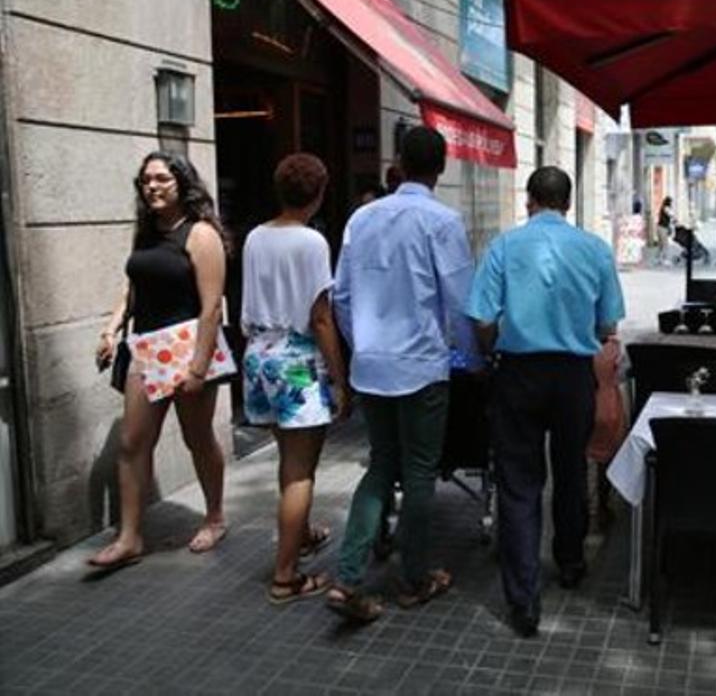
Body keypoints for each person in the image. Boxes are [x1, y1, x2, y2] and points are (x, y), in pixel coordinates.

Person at [326, 126, 480, 621]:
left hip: (371, 366)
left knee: (380, 466)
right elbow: (460, 302)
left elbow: (341, 297)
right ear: (442, 167)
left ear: (398, 163)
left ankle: (348, 576)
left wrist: (363, 345)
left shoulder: (361, 218)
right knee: (418, 473)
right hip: (420, 367)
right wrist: (475, 359)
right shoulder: (442, 220)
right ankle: (414, 579)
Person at [468, 166, 626, 638]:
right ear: (569, 203)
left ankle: (523, 602)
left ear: (530, 201)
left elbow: (479, 318)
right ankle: (572, 561)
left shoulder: (502, 246)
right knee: (572, 470)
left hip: (518, 373)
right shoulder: (595, 249)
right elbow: (607, 326)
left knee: (519, 484)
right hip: (573, 375)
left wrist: (490, 348)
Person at [90, 152, 229, 568]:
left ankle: (215, 517)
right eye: (145, 180)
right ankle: (129, 537)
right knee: (132, 443)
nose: (151, 186)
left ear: (182, 183)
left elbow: (211, 308)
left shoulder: (200, 234)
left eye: (161, 179)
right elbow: (134, 289)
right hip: (146, 349)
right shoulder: (147, 233)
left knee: (197, 438)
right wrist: (112, 329)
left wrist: (198, 368)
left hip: (188, 349)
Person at [240, 153, 350, 604]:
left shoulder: (254, 237)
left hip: (258, 355)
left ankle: (300, 534)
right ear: (319, 194)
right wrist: (341, 379)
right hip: (297, 359)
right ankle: (286, 576)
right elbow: (320, 317)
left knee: (289, 457)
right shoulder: (311, 243)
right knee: (299, 472)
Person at [656, 196, 674, 264]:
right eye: (671, 202)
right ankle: (665, 259)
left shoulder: (663, 207)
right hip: (663, 228)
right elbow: (671, 214)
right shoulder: (666, 208)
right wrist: (675, 220)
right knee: (665, 244)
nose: (672, 204)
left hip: (659, 227)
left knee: (660, 245)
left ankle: (659, 259)